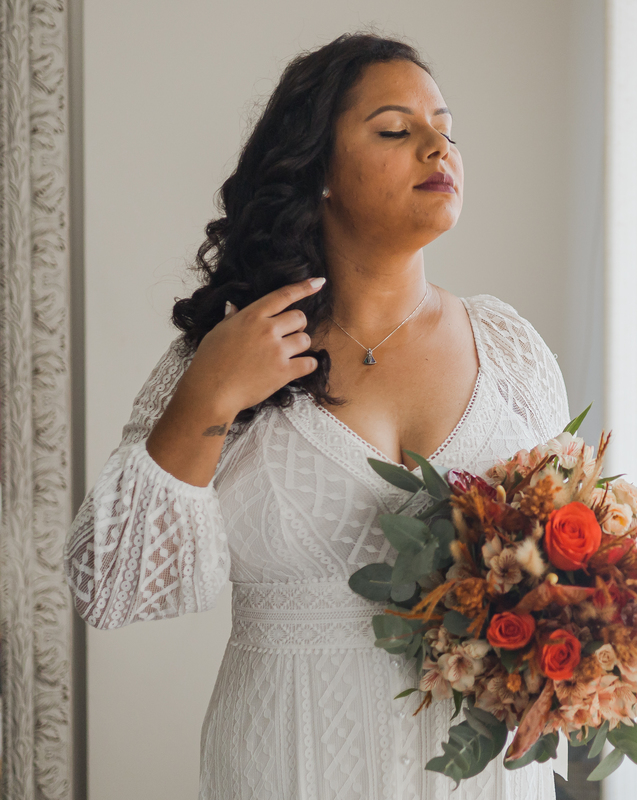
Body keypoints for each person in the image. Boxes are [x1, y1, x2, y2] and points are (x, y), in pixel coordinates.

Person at [63, 32, 565, 799]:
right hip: (289, 765)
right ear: (318, 171)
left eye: (446, 129)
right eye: (395, 130)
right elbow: (111, 587)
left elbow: (572, 571)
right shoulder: (231, 352)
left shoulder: (508, 349)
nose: (439, 147)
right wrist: (208, 398)